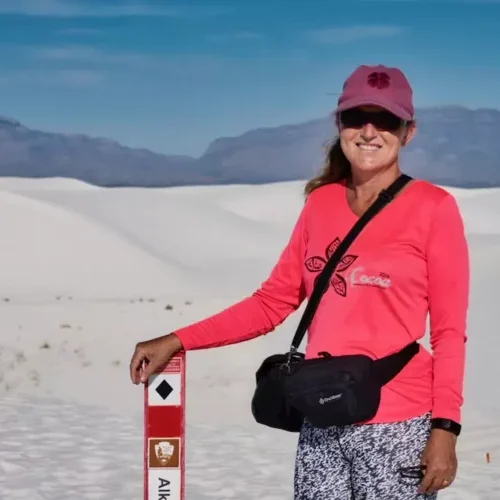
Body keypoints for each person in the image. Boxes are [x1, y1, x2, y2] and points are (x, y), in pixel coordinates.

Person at [130, 64, 469, 499]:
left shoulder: (434, 208)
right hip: (321, 418)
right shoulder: (320, 204)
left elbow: (449, 332)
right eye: (355, 118)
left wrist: (445, 429)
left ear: (408, 132)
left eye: (385, 119)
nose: (369, 131)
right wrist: (179, 339)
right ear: (339, 124)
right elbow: (271, 302)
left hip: (398, 424)